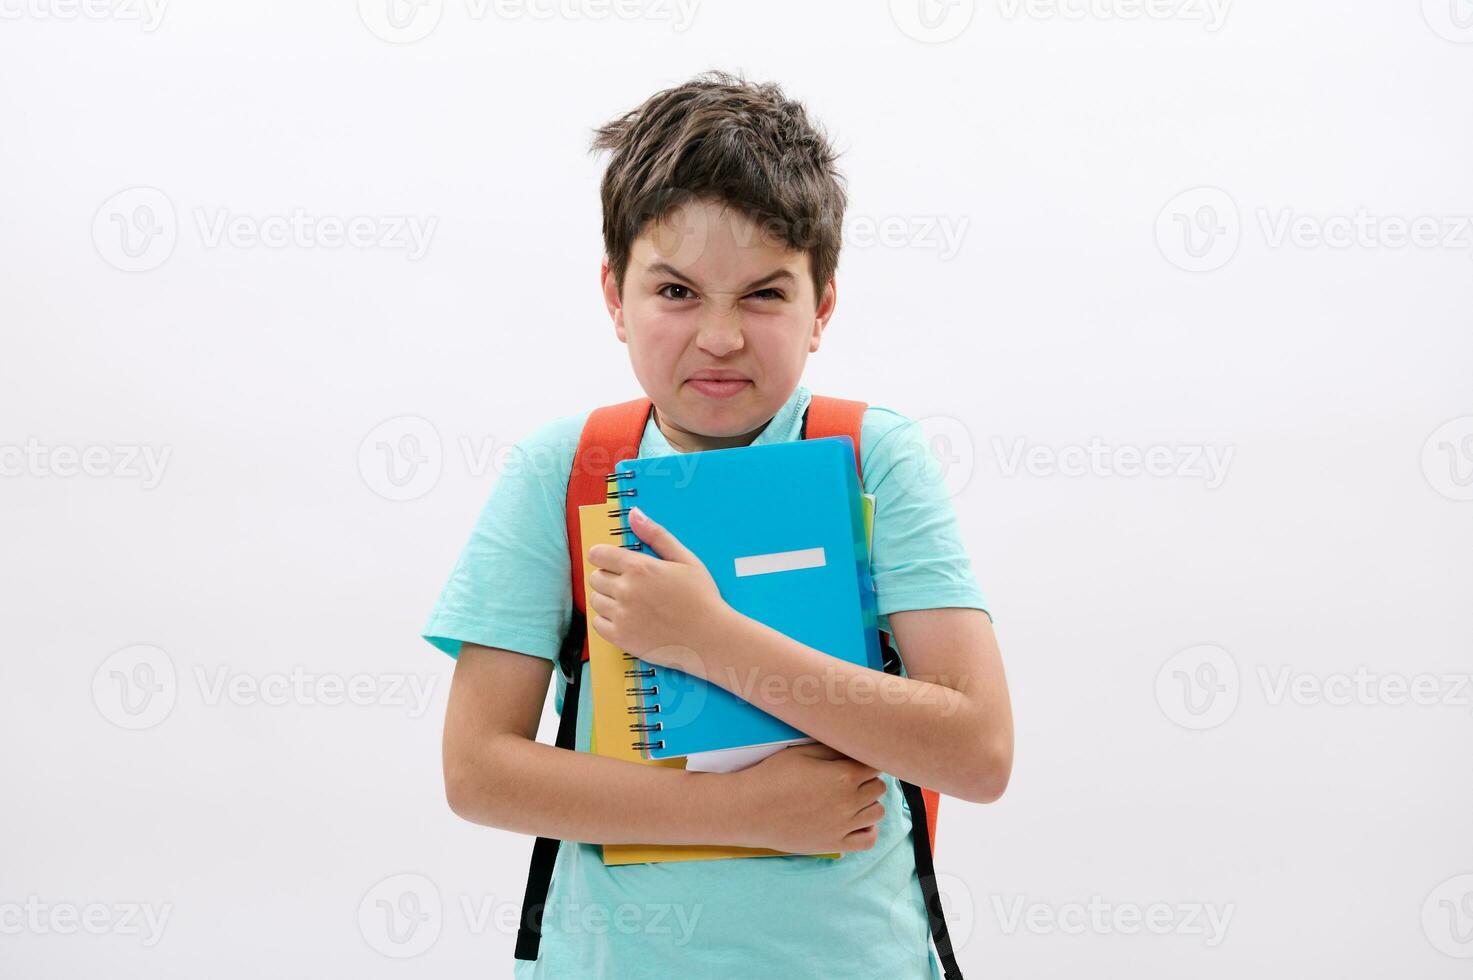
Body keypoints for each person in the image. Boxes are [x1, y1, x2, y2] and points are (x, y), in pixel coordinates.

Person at [425, 69, 1014, 979]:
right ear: (614, 295)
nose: (720, 336)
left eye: (764, 295)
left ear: (821, 307)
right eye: (676, 293)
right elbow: (478, 772)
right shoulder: (565, 468)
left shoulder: (872, 456)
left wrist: (709, 638)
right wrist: (744, 813)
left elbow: (978, 754)